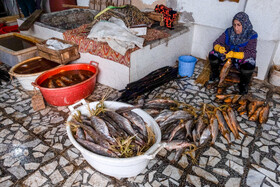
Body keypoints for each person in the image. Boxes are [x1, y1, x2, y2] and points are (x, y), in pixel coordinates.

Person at [209, 12, 258, 95]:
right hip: (227, 56)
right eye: (234, 24)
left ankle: (243, 85)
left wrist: (234, 54)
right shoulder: (229, 31)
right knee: (213, 54)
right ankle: (215, 74)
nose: (236, 28)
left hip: (240, 59)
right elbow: (216, 42)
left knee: (250, 63)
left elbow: (250, 53)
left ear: (245, 24)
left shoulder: (252, 35)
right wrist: (219, 48)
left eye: (239, 25)